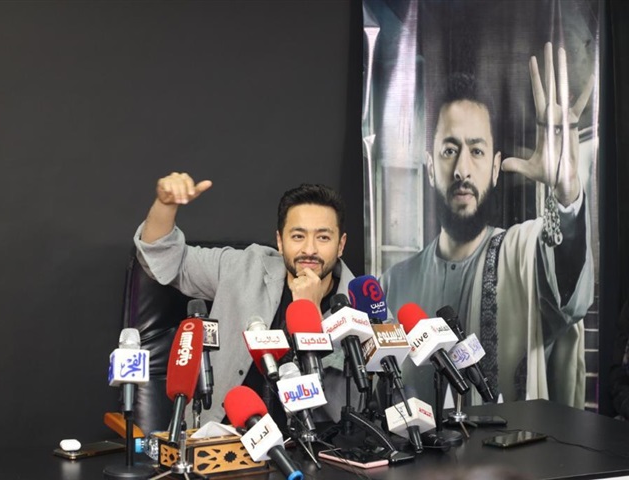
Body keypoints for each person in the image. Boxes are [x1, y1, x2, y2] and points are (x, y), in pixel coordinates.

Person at [380, 43, 595, 407]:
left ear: (496, 167)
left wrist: (567, 193)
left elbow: (570, 298)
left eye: (476, 151)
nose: (462, 169)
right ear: (430, 167)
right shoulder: (393, 283)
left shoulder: (522, 253)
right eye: (450, 150)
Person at [133, 172, 356, 425]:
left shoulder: (361, 308)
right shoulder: (242, 267)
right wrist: (165, 205)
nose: (309, 249)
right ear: (280, 241)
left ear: (341, 245)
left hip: (309, 442)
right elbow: (167, 260)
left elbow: (351, 410)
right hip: (222, 435)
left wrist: (309, 311)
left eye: (323, 237)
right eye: (298, 236)